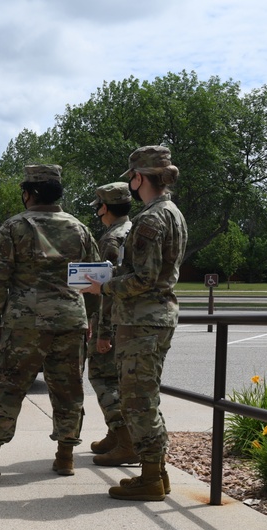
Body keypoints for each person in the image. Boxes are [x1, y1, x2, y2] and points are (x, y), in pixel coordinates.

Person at [0, 164, 101, 478]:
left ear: (31, 193)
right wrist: (89, 318)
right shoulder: (80, 229)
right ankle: (65, 456)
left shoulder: (13, 228)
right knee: (69, 390)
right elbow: (95, 279)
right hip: (70, 321)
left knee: (8, 388)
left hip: (25, 324)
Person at [82, 146, 187, 501]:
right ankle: (155, 473)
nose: (130, 183)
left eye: (131, 177)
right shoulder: (171, 212)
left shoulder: (151, 218)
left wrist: (105, 285)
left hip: (143, 321)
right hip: (153, 319)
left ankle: (151, 478)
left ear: (139, 177)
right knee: (144, 399)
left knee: (138, 402)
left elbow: (144, 278)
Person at [86, 182, 136, 464]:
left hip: (113, 320)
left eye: (99, 209)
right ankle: (116, 435)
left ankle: (125, 439)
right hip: (129, 318)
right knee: (119, 381)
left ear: (105, 208)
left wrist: (102, 332)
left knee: (103, 378)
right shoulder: (133, 229)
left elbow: (107, 288)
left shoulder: (111, 240)